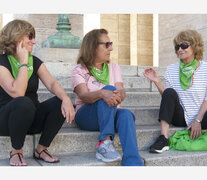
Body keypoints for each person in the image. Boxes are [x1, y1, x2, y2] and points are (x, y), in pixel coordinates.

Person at [0, 19, 75, 166]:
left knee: (60, 102)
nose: (34, 42)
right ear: (17, 37)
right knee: (23, 102)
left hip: (31, 119)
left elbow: (52, 84)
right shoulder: (2, 62)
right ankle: (16, 151)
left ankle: (41, 149)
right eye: (30, 36)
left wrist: (65, 98)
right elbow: (17, 92)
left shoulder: (34, 61)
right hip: (7, 122)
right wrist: (23, 61)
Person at [71, 28, 144, 166]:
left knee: (126, 114)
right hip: (87, 116)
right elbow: (84, 96)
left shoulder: (113, 67)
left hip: (110, 113)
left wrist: (120, 94)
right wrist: (102, 93)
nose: (111, 48)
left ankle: (133, 162)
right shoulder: (79, 70)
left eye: (110, 44)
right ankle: (104, 142)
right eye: (107, 44)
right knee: (108, 90)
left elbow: (121, 89)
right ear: (92, 47)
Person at [143, 29, 207, 153]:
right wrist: (157, 82)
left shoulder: (205, 69)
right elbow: (168, 98)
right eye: (177, 46)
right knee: (169, 92)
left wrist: (197, 120)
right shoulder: (171, 70)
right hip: (180, 116)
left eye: (184, 45)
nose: (180, 49)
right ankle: (163, 139)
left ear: (195, 47)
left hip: (202, 116)